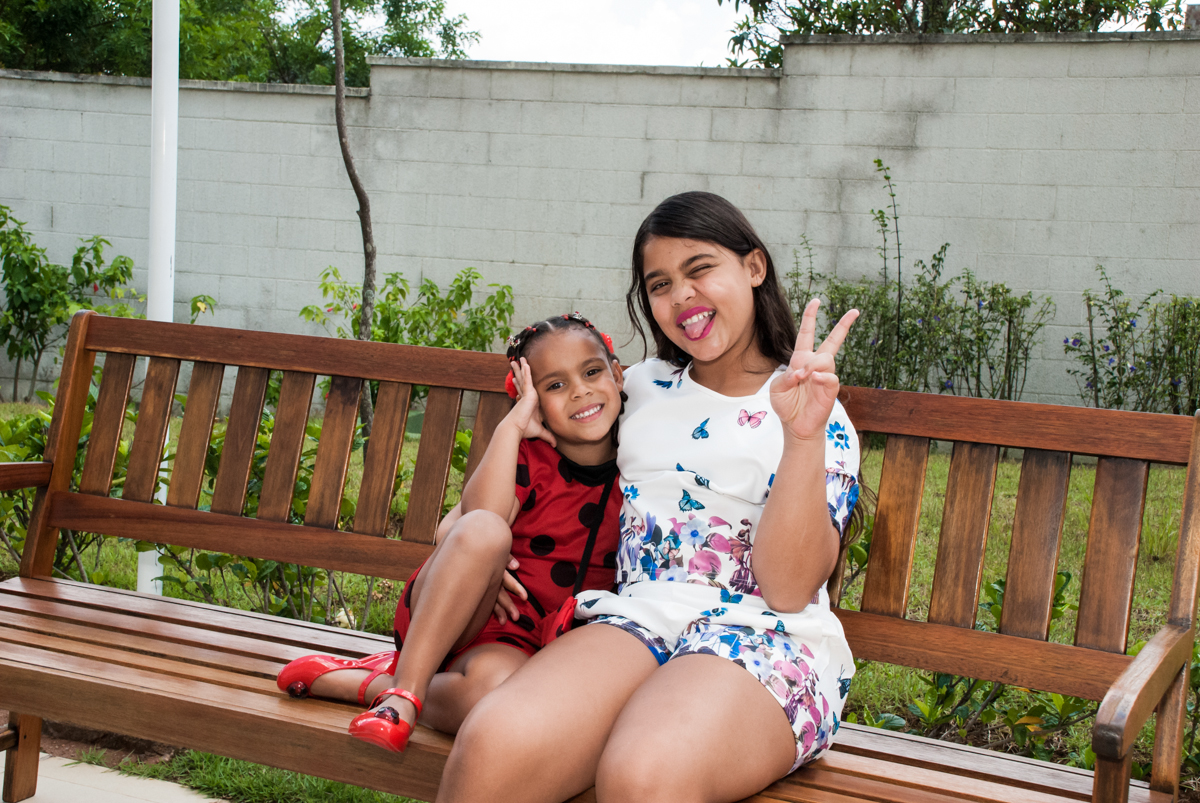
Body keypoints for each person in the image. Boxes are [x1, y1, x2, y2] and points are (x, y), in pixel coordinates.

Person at [436, 192, 862, 803]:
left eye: (700, 269)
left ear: (753, 268)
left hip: (763, 637)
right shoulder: (633, 389)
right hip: (638, 619)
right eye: (659, 284)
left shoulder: (815, 411)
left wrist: (801, 437)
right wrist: (479, 545)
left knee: (643, 775)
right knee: (493, 744)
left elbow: (790, 589)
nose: (681, 296)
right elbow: (512, 485)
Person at [276, 313, 626, 753]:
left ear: (617, 373)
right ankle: (401, 699)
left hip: (533, 647)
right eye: (554, 386)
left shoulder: (640, 463)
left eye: (592, 372)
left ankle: (379, 684)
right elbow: (466, 526)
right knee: (483, 528)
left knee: (494, 699)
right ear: (529, 399)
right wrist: (511, 429)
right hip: (471, 620)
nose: (580, 391)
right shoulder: (527, 457)